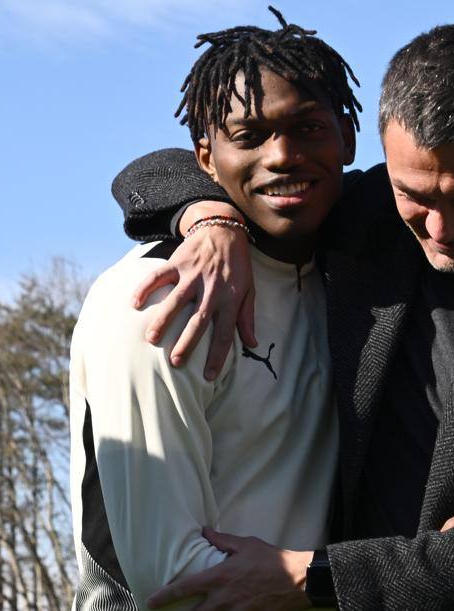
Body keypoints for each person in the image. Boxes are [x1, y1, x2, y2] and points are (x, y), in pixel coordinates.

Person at [115, 23, 454, 610]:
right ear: (381, 146)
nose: (442, 230)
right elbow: (153, 173)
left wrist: (312, 577)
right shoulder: (361, 215)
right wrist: (212, 219)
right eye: (417, 195)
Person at [69, 11, 357, 609]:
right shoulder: (156, 299)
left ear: (347, 138)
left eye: (308, 128)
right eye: (249, 136)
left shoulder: (367, 260)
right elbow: (178, 582)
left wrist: (425, 565)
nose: (283, 156)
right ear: (205, 157)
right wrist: (362, 584)